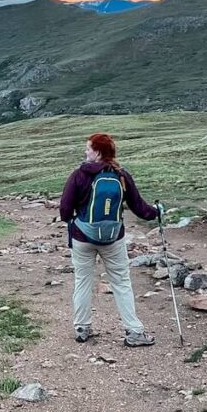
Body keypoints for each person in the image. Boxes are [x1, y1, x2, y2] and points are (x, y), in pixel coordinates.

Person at [59, 132, 160, 347]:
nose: (85, 151)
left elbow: (65, 210)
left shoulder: (79, 175)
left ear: (98, 152)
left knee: (83, 281)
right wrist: (157, 212)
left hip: (82, 237)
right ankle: (134, 332)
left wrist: (73, 221)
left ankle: (82, 327)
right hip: (114, 239)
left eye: (88, 148)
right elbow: (140, 208)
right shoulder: (121, 175)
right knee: (122, 282)